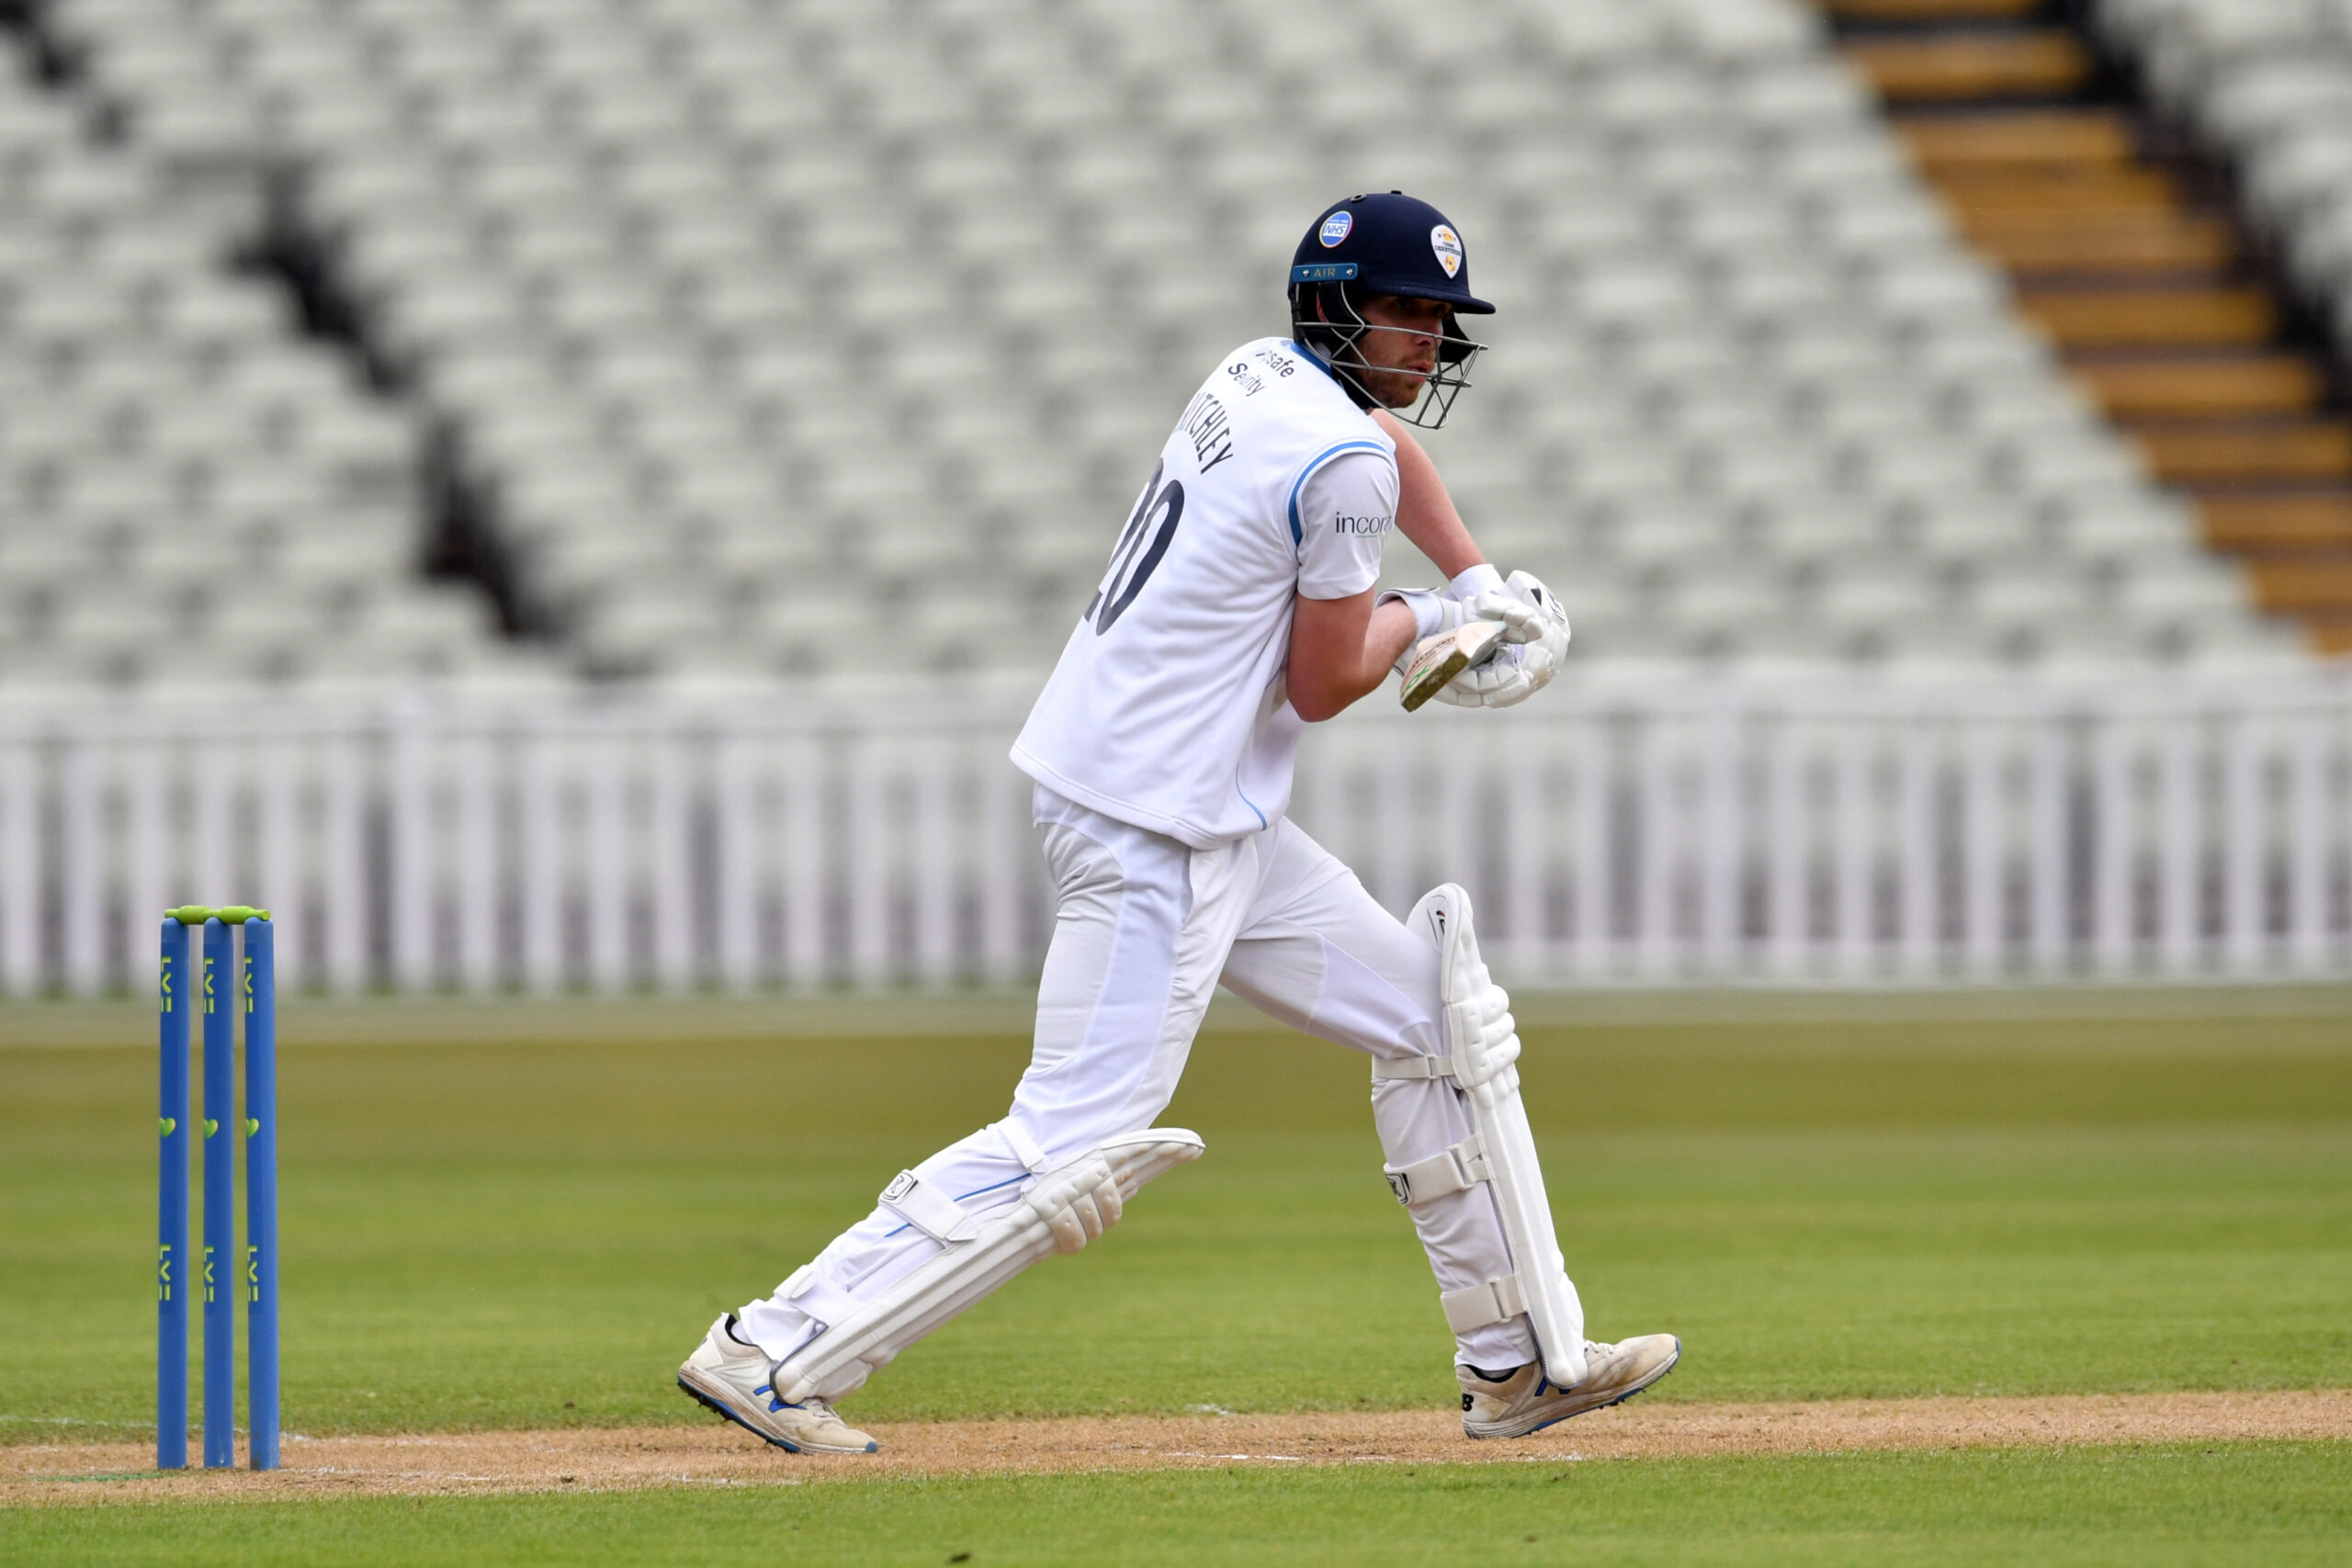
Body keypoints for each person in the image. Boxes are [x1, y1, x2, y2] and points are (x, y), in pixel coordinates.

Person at [678, 192, 1679, 1454]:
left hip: (1188, 805)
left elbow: (1382, 451)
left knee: (1438, 1024)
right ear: (1337, 307)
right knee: (1072, 1137)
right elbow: (1325, 680)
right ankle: (773, 1346)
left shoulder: (1261, 371)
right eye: (1406, 311)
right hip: (1159, 825)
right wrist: (1445, 620)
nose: (1429, 339)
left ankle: (1517, 1362)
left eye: (1441, 318)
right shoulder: (1340, 458)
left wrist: (1477, 577)